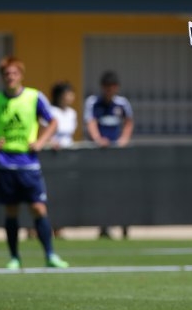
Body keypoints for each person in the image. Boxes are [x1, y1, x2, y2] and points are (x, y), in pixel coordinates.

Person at [0, 56, 69, 269]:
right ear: (2, 77)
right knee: (11, 211)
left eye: (14, 73)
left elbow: (53, 121)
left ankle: (50, 255)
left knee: (38, 208)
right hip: (5, 163)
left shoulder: (34, 97)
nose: (10, 77)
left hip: (29, 163)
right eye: (7, 74)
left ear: (21, 75)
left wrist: (41, 141)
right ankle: (14, 257)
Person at [84, 70, 134, 239]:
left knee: (121, 190)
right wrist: (98, 139)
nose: (109, 92)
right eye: (106, 88)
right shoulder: (93, 102)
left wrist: (123, 140)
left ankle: (125, 226)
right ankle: (103, 226)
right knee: (101, 190)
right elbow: (90, 122)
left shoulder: (122, 103)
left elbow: (129, 122)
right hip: (99, 154)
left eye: (112, 88)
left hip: (117, 154)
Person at [49, 81, 78, 150]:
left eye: (72, 94)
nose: (71, 97)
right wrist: (51, 142)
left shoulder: (72, 113)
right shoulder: (51, 111)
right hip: (53, 152)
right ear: (60, 96)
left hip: (68, 152)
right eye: (68, 95)